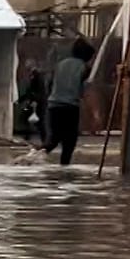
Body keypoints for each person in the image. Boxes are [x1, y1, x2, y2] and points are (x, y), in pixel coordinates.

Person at [41, 36, 95, 166]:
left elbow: (49, 83)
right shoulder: (84, 68)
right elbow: (84, 91)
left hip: (53, 106)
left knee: (53, 139)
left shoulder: (60, 64)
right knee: (69, 141)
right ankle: (64, 166)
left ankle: (33, 155)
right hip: (70, 107)